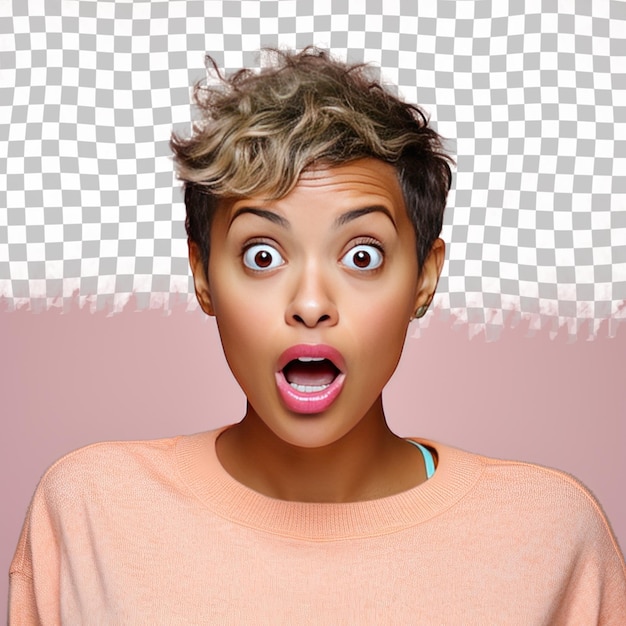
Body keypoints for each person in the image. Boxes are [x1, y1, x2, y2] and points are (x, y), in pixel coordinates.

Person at [9, 47, 626, 624]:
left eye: (361, 256)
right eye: (261, 255)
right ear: (202, 276)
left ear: (423, 278)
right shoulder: (92, 513)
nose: (310, 304)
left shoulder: (549, 534)